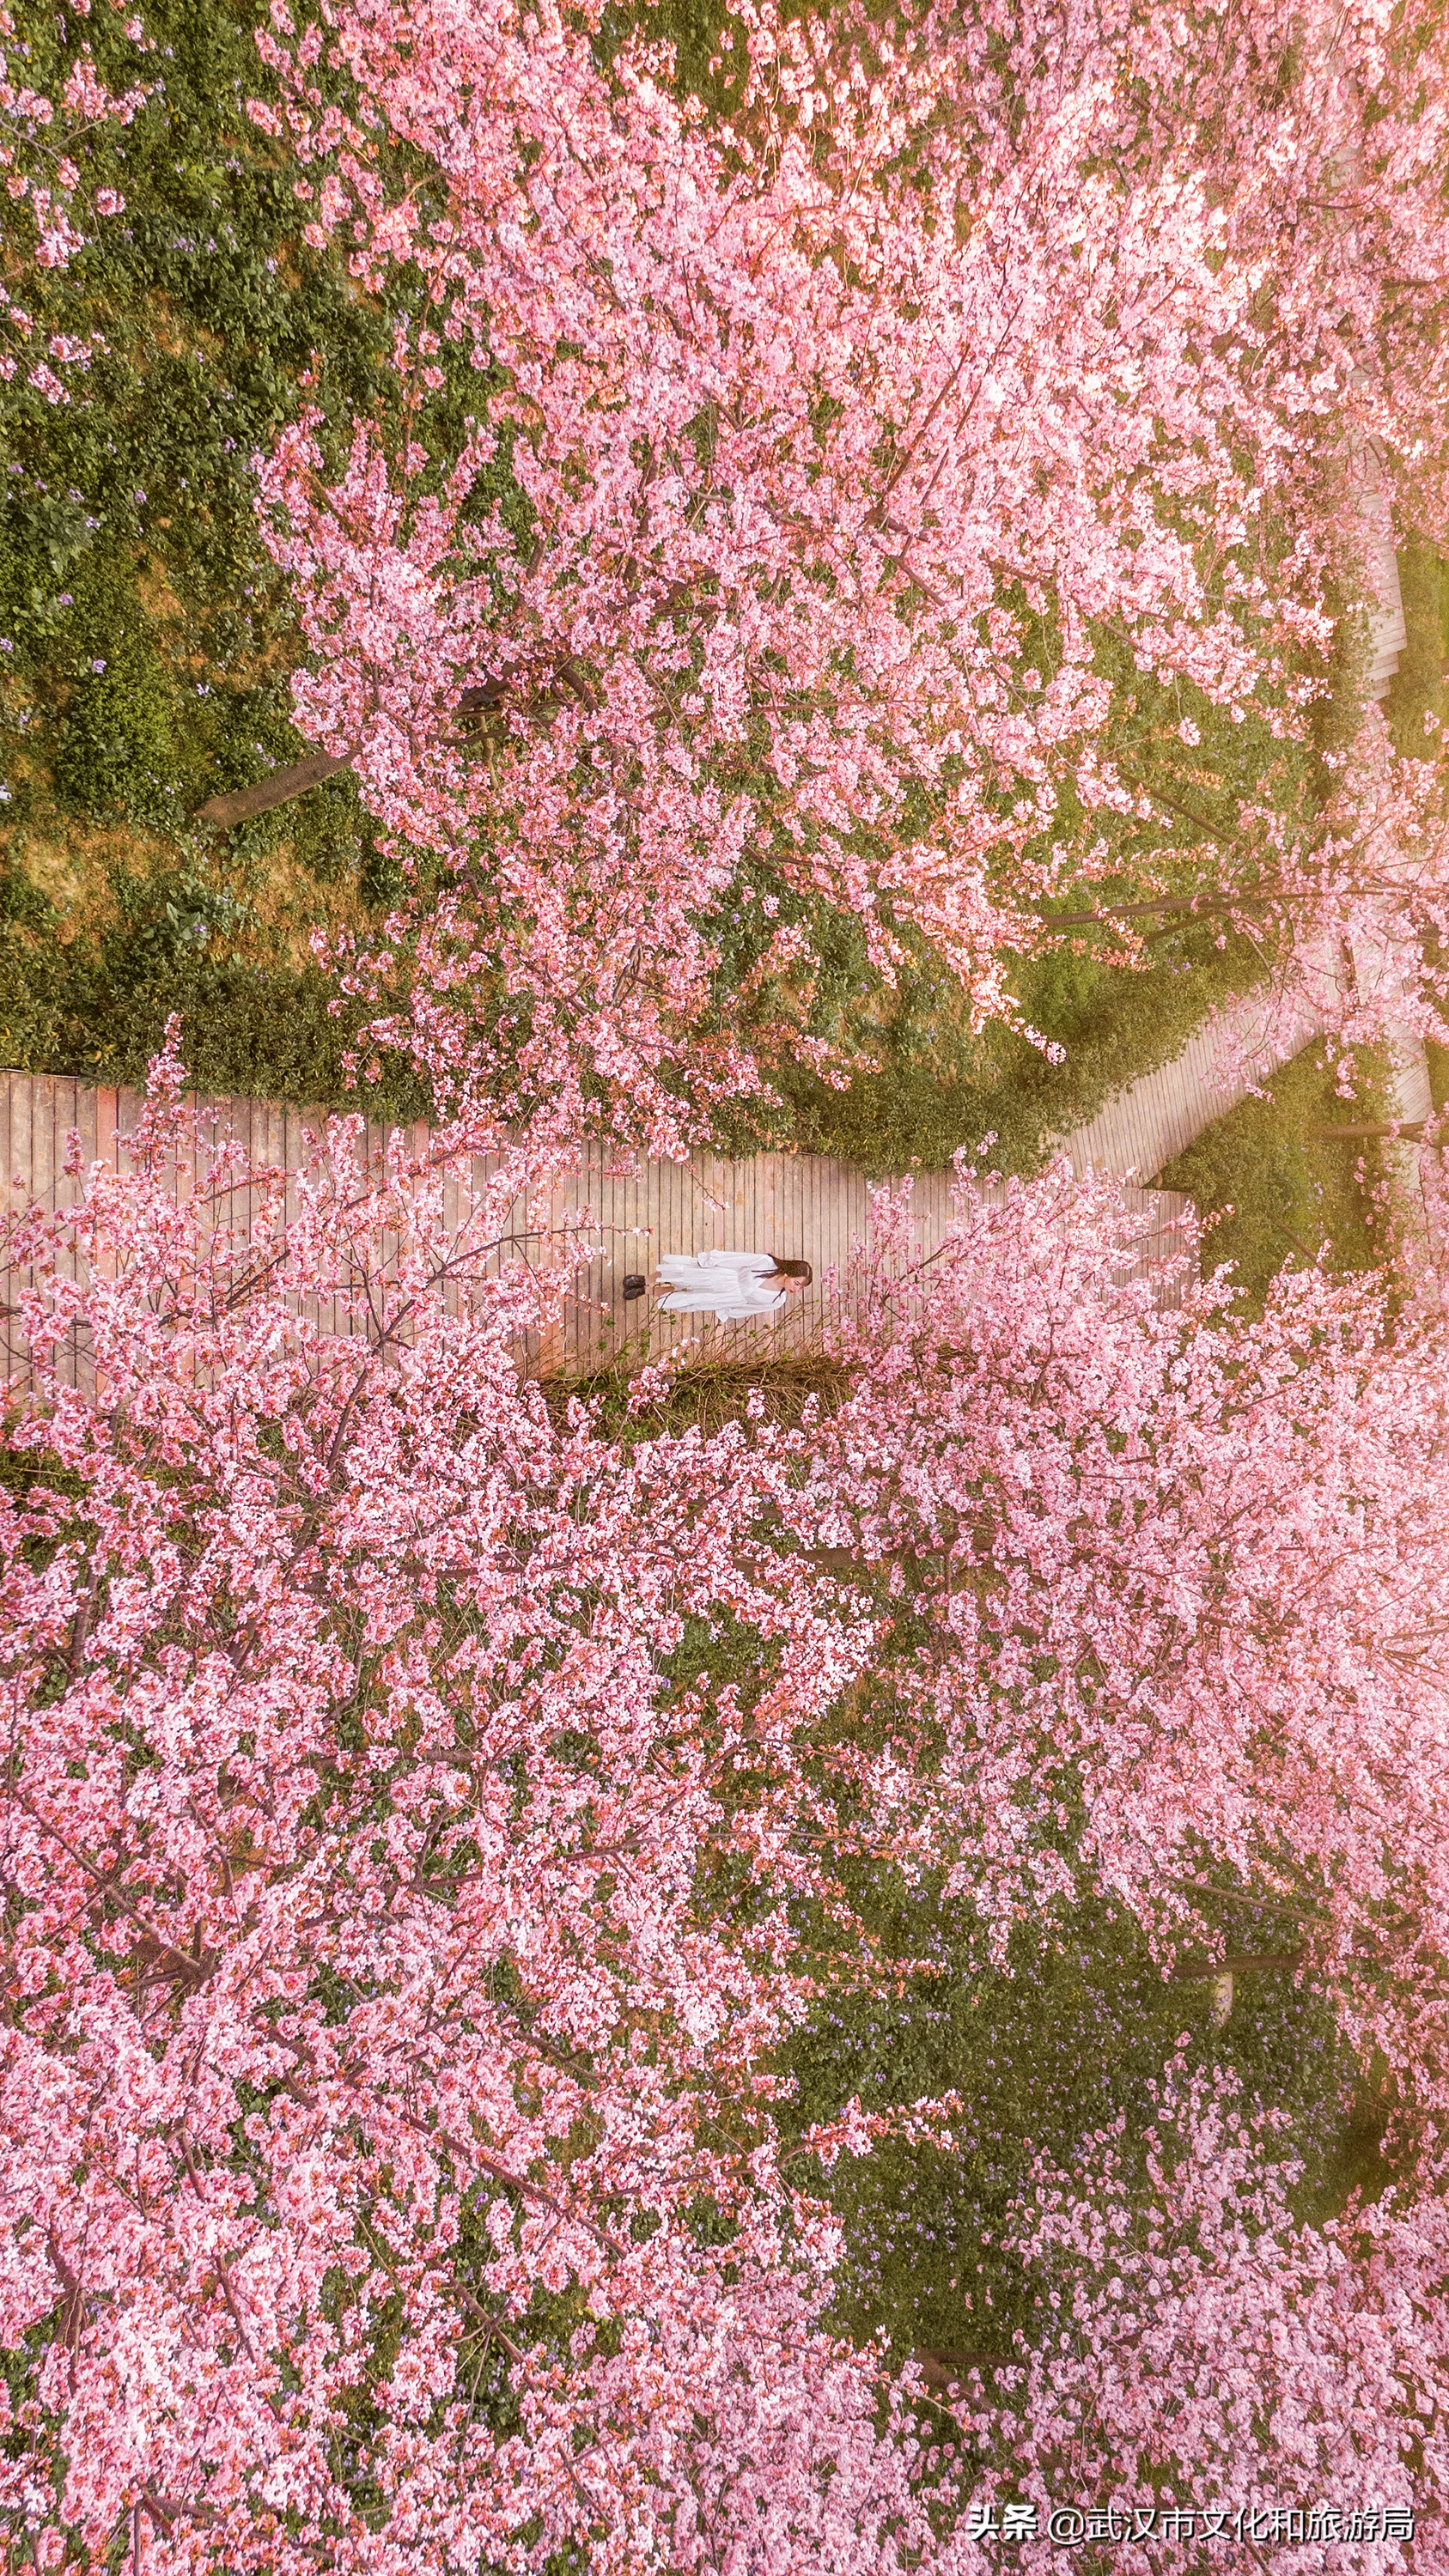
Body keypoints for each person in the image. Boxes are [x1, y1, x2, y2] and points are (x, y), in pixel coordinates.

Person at [620, 1252, 812, 1319]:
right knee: (683, 1273)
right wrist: (713, 1260)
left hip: (725, 1297)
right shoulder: (766, 1263)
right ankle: (646, 1279)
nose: (796, 1289)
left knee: (682, 1293)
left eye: (800, 1288)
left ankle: (645, 1291)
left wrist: (728, 1309)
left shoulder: (778, 1300)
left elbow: (751, 1308)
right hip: (724, 1277)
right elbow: (738, 1260)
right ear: (789, 1273)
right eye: (797, 1283)